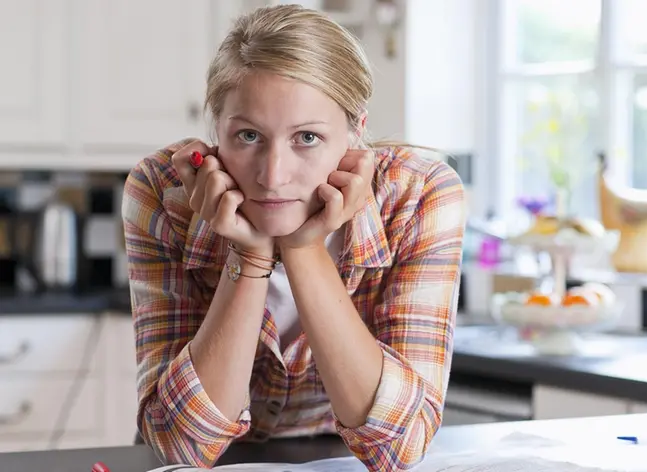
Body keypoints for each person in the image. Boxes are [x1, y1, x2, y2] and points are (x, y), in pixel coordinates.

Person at [121, 5, 466, 471]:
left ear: (355, 132)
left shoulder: (420, 195)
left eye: (306, 137)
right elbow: (181, 447)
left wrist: (302, 249)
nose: (272, 176)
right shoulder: (163, 194)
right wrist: (250, 251)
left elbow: (399, 449)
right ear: (214, 133)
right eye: (247, 135)